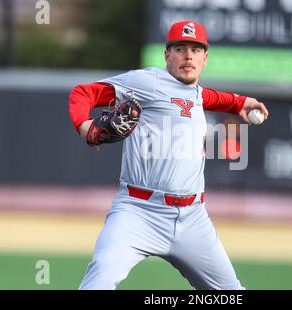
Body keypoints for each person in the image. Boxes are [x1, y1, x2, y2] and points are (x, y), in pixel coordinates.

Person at [68, 20, 269, 290]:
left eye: (196, 50)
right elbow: (84, 92)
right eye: (180, 48)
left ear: (205, 58)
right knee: (99, 280)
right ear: (167, 55)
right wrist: (84, 125)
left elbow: (201, 97)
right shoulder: (146, 81)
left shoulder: (195, 94)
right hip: (137, 212)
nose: (188, 55)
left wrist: (238, 103)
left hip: (193, 218)